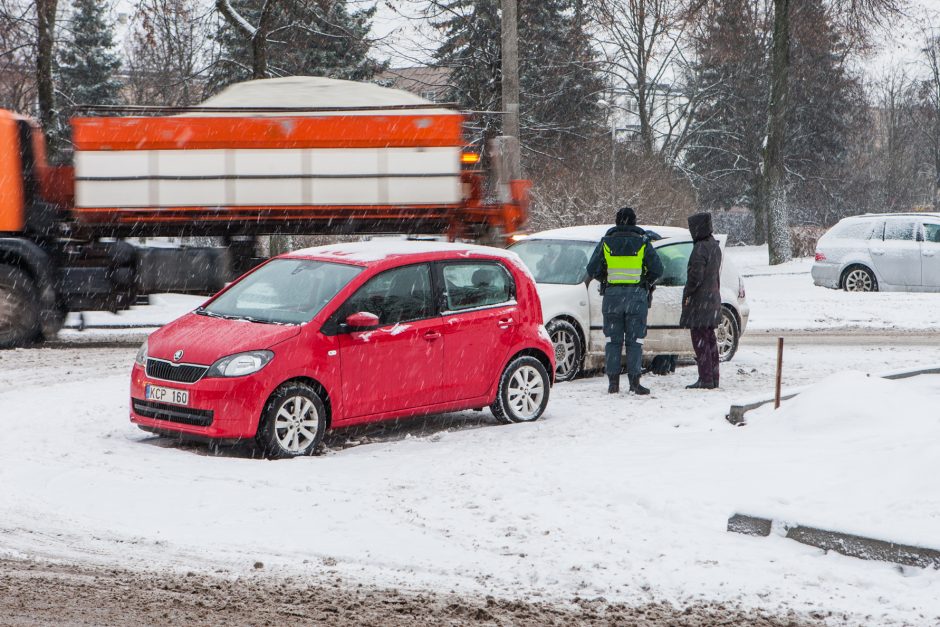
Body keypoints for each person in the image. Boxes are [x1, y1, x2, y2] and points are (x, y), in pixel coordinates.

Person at [586, 207, 664, 395]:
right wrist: (645, 280)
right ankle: (634, 383)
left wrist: (606, 279)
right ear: (634, 221)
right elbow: (658, 270)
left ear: (617, 221)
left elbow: (592, 268)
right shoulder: (643, 242)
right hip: (637, 296)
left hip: (612, 297)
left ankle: (613, 384)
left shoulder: (606, 243)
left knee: (613, 341)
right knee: (634, 341)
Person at [680, 212, 722, 389]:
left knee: (700, 341)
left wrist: (688, 292)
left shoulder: (699, 249)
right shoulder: (714, 246)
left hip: (700, 302)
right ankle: (713, 376)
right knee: (710, 340)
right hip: (712, 299)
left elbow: (695, 277)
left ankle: (705, 379)